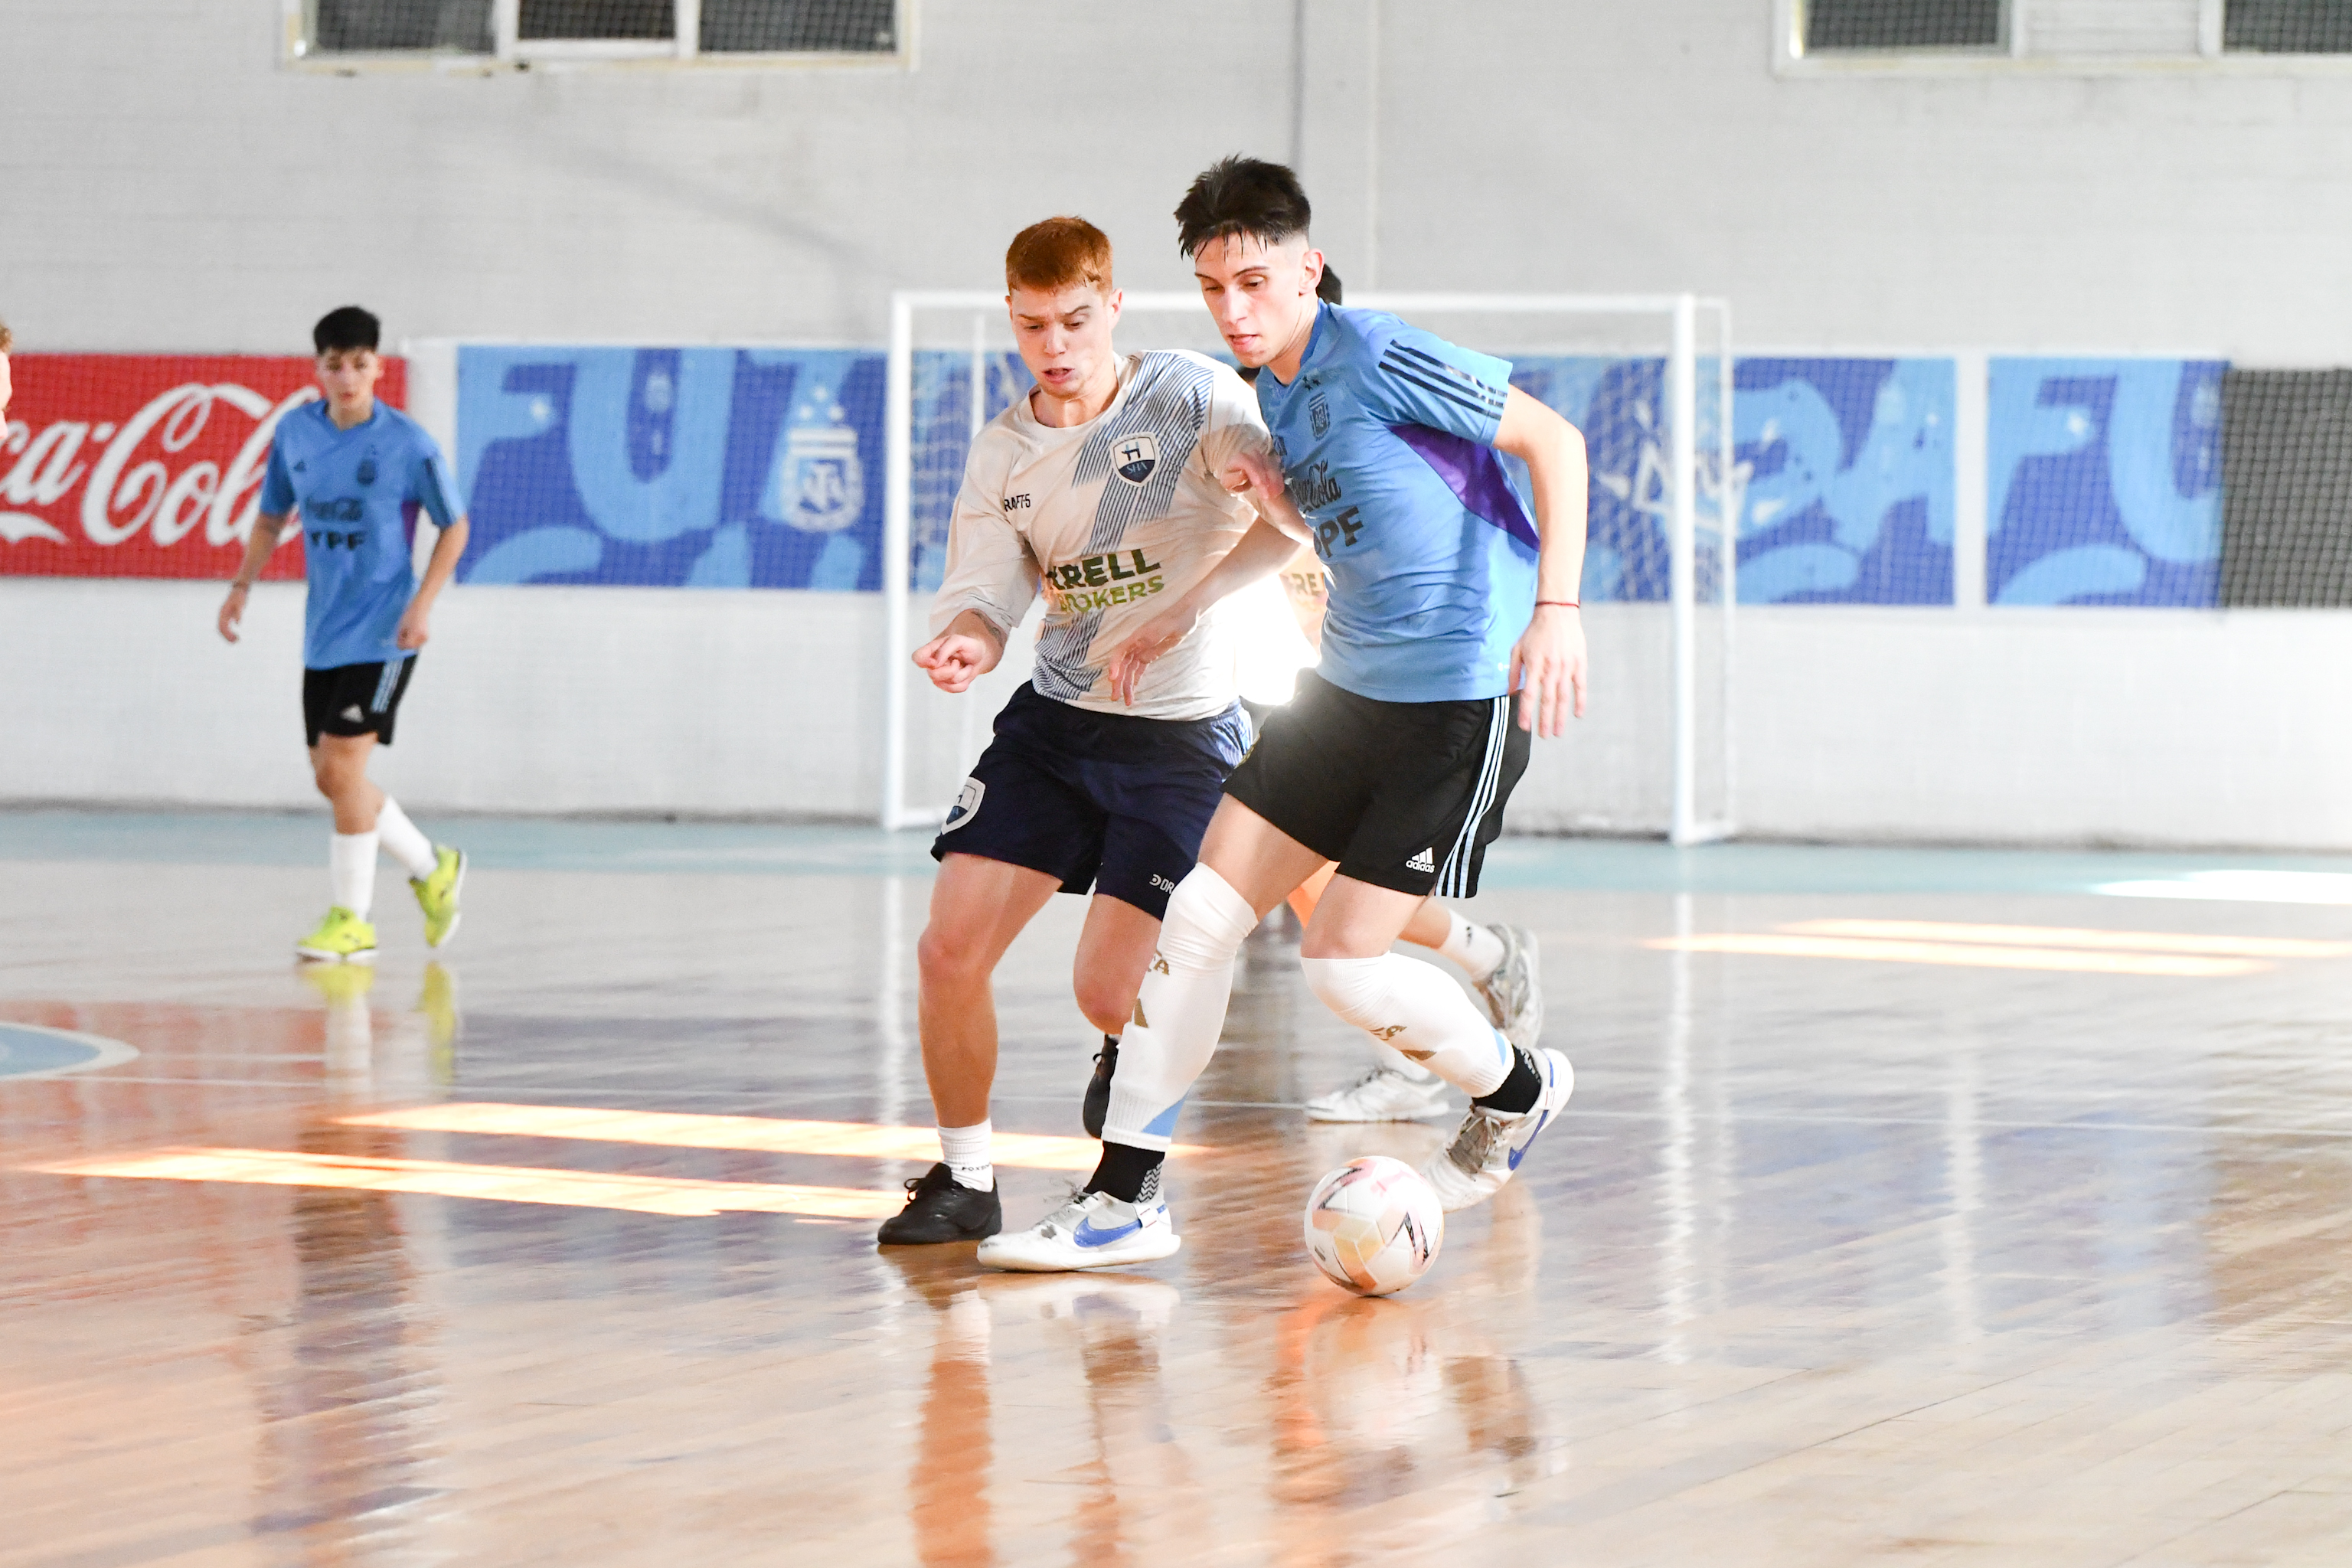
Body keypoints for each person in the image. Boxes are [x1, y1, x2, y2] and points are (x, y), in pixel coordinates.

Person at [981, 157, 1592, 1272]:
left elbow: (1557, 443)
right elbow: (1320, 525)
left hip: (1456, 697)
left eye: (1255, 282)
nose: (1235, 309)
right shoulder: (1270, 391)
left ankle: (1517, 1091)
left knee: (1342, 963)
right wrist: (1189, 601)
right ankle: (1125, 1200)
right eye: (1215, 289)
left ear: (1308, 270)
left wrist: (1557, 611)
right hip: (1344, 692)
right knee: (1200, 916)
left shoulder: (1382, 353)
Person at [877, 217, 1309, 1250]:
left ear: (1113, 306)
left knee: (1109, 989)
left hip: (1182, 736)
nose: (1056, 344)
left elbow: (1287, 521)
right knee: (947, 949)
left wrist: (1196, 594)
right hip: (1057, 725)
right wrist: (970, 640)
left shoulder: (1193, 396)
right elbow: (986, 597)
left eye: (1075, 320)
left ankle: (1130, 1108)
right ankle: (965, 1180)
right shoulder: (1005, 452)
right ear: (1012, 320)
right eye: (1033, 326)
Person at [217, 306, 469, 965]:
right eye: (335, 365)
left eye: (360, 364)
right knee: (332, 779)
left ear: (378, 367)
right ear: (318, 369)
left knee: (341, 769)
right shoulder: (295, 433)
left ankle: (353, 922)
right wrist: (241, 586)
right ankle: (433, 867)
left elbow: (455, 526)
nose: (348, 377)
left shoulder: (408, 444)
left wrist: (422, 605)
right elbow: (271, 518)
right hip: (324, 631)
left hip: (385, 631)